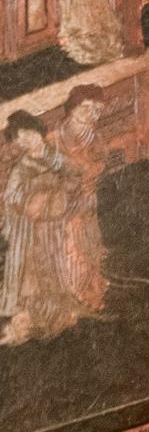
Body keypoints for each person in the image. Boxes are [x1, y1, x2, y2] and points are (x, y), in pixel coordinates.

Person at [0, 110, 85, 346]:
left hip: (53, 224)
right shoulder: (21, 167)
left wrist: (60, 193)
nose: (25, 140)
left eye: (27, 133)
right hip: (27, 228)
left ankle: (57, 313)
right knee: (31, 272)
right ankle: (26, 319)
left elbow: (74, 176)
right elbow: (12, 197)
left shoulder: (55, 157)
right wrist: (34, 201)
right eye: (19, 138)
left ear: (38, 131)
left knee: (54, 264)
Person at [51, 86, 109, 318]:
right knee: (72, 246)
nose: (92, 115)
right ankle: (75, 290)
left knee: (89, 243)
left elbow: (101, 160)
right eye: (86, 109)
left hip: (86, 197)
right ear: (72, 109)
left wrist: (89, 173)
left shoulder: (94, 136)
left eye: (97, 110)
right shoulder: (56, 138)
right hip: (64, 203)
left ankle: (90, 288)